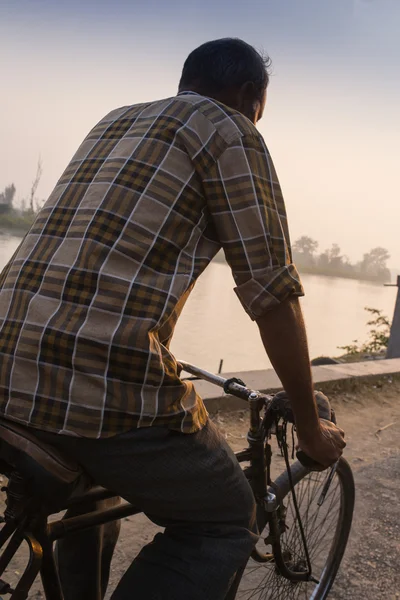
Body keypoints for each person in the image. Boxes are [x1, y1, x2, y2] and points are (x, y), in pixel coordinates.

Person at [0, 38, 345, 600]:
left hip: (8, 348)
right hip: (95, 374)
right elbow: (272, 291)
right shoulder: (230, 128)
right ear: (251, 95)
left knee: (99, 494)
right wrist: (308, 425)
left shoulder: (117, 120)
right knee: (226, 518)